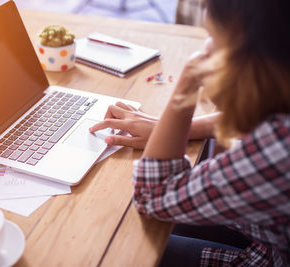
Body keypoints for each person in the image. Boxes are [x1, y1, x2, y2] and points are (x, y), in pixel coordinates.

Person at [89, 0, 290, 266]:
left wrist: (187, 81)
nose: (205, 49)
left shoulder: (277, 150)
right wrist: (179, 127)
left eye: (213, 38)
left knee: (117, 247)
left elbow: (152, 197)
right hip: (271, 233)